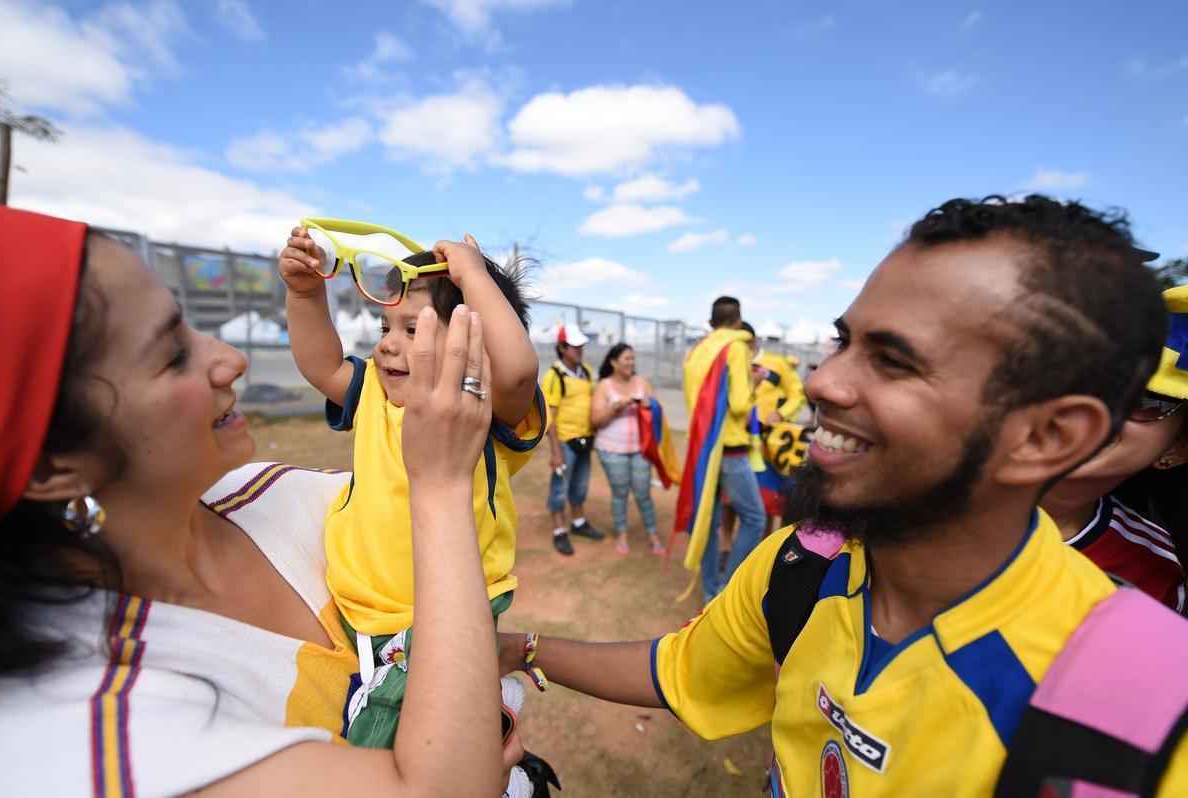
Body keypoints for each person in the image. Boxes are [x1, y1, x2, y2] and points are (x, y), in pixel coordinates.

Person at [500, 196, 1188, 795]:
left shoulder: (1149, 718)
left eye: (893, 360)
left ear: (1048, 435)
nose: (824, 382)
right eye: (843, 341)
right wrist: (520, 648)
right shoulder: (800, 566)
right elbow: (682, 669)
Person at [0, 206, 523, 796]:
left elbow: (514, 379)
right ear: (52, 464)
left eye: (188, 326)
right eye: (171, 355)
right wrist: (442, 487)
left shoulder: (279, 493)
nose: (232, 359)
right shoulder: (100, 727)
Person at [278, 224, 544, 754]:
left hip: (436, 617)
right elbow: (323, 365)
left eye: (414, 330)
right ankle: (483, 707)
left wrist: (471, 271)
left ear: (477, 348)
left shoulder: (480, 403)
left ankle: (489, 736)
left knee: (386, 748)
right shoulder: (376, 391)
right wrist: (305, 294)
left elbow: (516, 373)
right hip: (361, 609)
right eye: (386, 326)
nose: (388, 345)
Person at [1041, 284, 1188, 611]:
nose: (1101, 408)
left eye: (1148, 401)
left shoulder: (1154, 577)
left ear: (1177, 450)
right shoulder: (919, 484)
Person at [675, 297, 766, 602]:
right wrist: (753, 383)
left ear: (712, 322)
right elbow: (740, 405)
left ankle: (711, 589)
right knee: (755, 518)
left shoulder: (698, 350)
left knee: (709, 523)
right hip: (730, 448)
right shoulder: (737, 348)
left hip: (704, 449)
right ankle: (726, 590)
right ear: (738, 321)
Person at [590, 343, 666, 556]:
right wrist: (614, 408)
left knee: (643, 493)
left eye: (633, 359)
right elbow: (595, 420)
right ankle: (622, 534)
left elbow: (657, 411)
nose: (631, 363)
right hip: (612, 450)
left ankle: (652, 534)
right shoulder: (604, 386)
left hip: (640, 449)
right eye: (626, 359)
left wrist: (649, 405)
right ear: (614, 362)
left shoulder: (642, 383)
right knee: (620, 493)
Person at [540, 323, 604, 556]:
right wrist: (555, 452)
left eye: (581, 345)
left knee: (580, 484)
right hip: (566, 443)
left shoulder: (586, 371)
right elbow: (550, 417)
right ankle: (559, 530)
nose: (579, 350)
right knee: (560, 488)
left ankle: (578, 522)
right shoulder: (554, 376)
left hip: (585, 441)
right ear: (562, 347)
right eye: (574, 346)